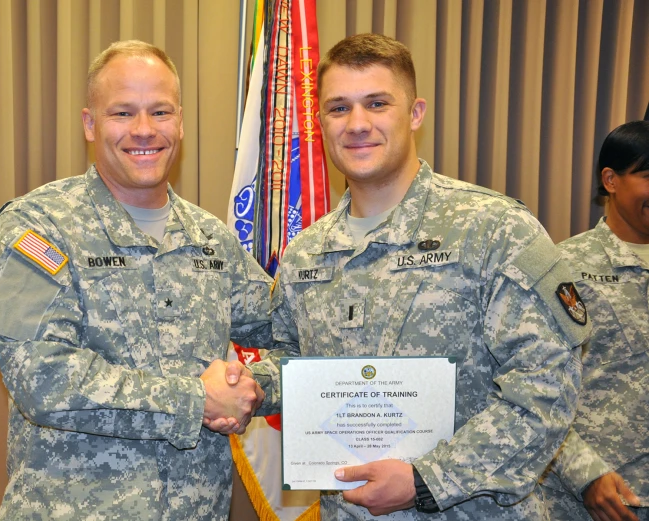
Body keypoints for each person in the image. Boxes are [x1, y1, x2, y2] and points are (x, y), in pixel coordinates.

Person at [239, 33, 588, 519]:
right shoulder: (305, 254)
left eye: (377, 103)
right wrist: (252, 387)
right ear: (319, 122)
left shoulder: (493, 229)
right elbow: (297, 362)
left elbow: (546, 387)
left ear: (415, 113)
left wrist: (428, 478)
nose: (357, 124)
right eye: (339, 108)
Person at [0, 40, 270, 520]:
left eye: (160, 111)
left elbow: (290, 334)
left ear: (180, 122)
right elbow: (42, 377)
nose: (144, 130)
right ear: (90, 124)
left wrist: (250, 388)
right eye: (122, 113)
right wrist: (196, 399)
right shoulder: (37, 227)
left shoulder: (212, 240)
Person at [540, 121, 649, 521]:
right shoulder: (564, 267)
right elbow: (535, 386)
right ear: (611, 180)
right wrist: (585, 474)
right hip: (595, 500)